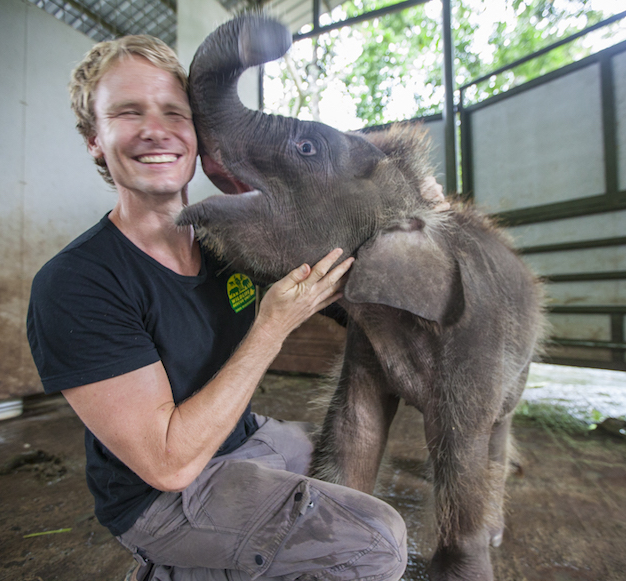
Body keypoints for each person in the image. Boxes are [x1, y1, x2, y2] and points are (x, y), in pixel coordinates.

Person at [27, 34, 407, 581]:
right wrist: (271, 327)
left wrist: (406, 210)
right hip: (158, 496)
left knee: (342, 458)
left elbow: (340, 268)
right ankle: (173, 565)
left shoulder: (222, 243)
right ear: (94, 140)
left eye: (173, 113)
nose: (156, 130)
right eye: (129, 113)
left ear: (196, 134)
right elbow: (168, 463)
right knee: (376, 542)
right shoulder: (77, 282)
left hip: (237, 436)